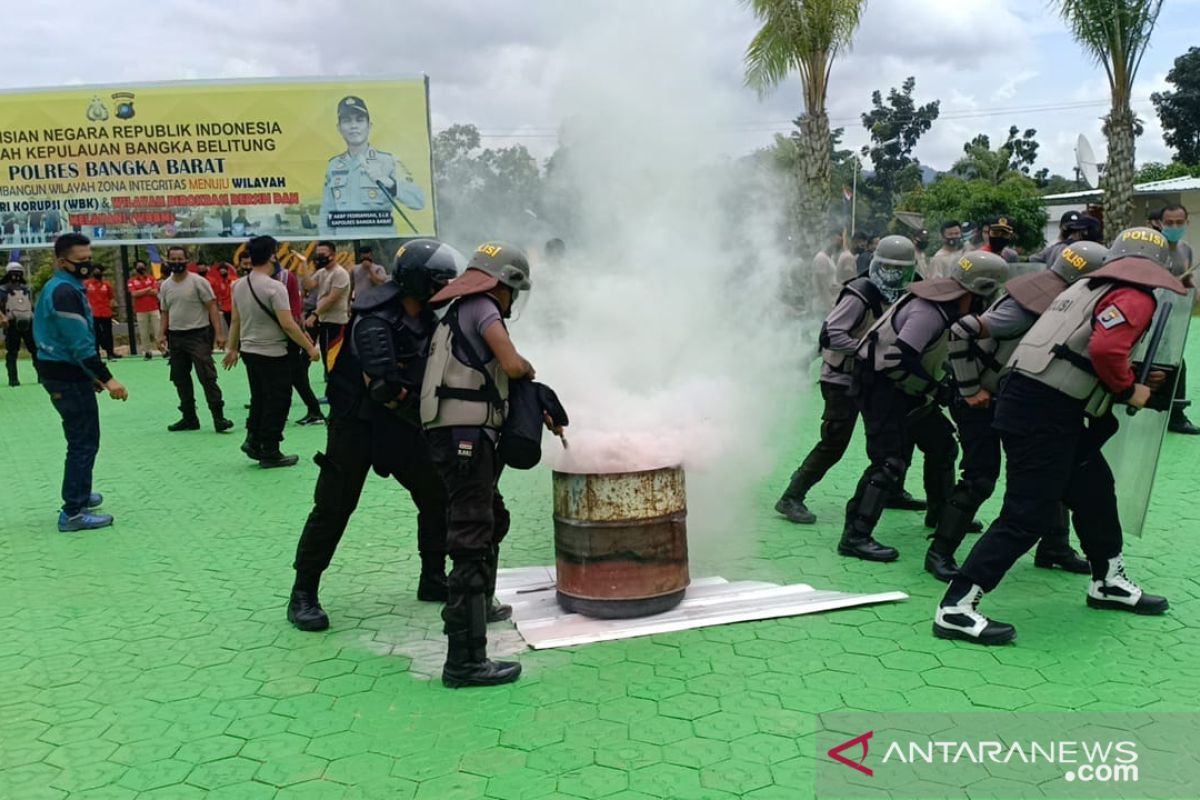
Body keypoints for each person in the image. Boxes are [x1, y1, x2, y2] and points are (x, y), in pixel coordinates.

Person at [934, 228, 1185, 644]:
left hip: (1032, 398)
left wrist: (1130, 375)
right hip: (1045, 411)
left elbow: (1086, 346)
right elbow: (1106, 352)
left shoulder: (1088, 285)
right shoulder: (1135, 296)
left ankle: (1107, 579)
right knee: (1027, 512)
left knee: (1094, 487)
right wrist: (1130, 389)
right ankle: (956, 607)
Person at [288, 240, 461, 634]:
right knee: (334, 506)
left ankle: (433, 576)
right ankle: (303, 593)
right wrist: (435, 417)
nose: (445, 287)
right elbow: (384, 389)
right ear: (419, 281)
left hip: (401, 425)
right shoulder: (375, 320)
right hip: (357, 425)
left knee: (436, 495)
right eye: (439, 280)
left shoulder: (426, 318)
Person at [925, 243, 1109, 581]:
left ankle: (1054, 546)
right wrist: (970, 389)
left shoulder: (1050, 291)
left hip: (1007, 397)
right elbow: (961, 330)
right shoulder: (1031, 304)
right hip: (980, 398)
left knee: (1049, 469)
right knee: (980, 476)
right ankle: (940, 552)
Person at [421, 242, 554, 689]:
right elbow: (512, 363)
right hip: (467, 438)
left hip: (450, 436)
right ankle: (465, 661)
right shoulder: (483, 308)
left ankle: (477, 615)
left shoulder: (456, 310)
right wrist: (530, 373)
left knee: (486, 521)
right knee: (471, 539)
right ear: (505, 285)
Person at [841, 251, 1008, 562]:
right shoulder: (929, 311)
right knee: (889, 461)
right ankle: (855, 536)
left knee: (942, 446)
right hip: (881, 385)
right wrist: (936, 390)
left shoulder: (949, 306)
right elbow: (896, 359)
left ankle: (940, 512)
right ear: (981, 289)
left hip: (908, 387)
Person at [775, 235, 915, 524]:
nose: (893, 275)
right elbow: (831, 334)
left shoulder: (905, 292)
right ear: (876, 263)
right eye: (888, 267)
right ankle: (791, 496)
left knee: (896, 438)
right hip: (842, 378)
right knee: (835, 441)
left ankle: (893, 490)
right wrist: (867, 350)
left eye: (900, 269)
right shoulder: (860, 292)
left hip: (874, 377)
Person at [33, 233, 128, 531]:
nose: (88, 264)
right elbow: (79, 344)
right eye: (81, 260)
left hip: (68, 372)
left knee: (83, 438)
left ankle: (81, 493)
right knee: (83, 441)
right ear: (62, 261)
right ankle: (73, 511)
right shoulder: (63, 292)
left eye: (90, 258)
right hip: (65, 375)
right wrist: (107, 379)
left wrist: (90, 377)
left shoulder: (68, 286)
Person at [223, 236, 321, 468]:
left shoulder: (238, 285)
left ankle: (253, 440)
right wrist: (309, 348)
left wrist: (232, 348)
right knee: (278, 400)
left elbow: (235, 320)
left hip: (249, 350)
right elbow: (288, 324)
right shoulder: (275, 287)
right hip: (273, 351)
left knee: (259, 397)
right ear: (272, 256)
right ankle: (270, 449)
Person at [318, 95, 425, 237]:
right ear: (339, 128)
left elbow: (418, 201)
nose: (353, 126)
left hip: (381, 244)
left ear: (369, 126)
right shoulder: (334, 166)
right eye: (347, 121)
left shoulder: (388, 161)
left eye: (359, 120)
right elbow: (327, 213)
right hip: (347, 244)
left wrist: (390, 183)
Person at [158, 245, 233, 433]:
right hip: (175, 337)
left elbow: (212, 308)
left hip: (198, 335)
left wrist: (220, 334)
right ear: (167, 261)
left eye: (179, 259)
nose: (176, 263)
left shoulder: (198, 282)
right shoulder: (165, 285)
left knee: (207, 376)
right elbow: (165, 312)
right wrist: (161, 334)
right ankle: (189, 417)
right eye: (172, 259)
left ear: (187, 259)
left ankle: (218, 417)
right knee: (179, 378)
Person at [1159, 204, 1198, 435]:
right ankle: (1173, 415)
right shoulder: (1153, 249)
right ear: (1160, 223)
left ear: (1186, 223)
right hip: (1150, 315)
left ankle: (1174, 414)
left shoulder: (1186, 250)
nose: (1174, 227)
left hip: (1173, 318)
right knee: (1172, 365)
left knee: (1174, 363)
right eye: (1169, 223)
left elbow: (1187, 282)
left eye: (1179, 222)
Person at [272, 257, 324, 426]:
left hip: (288, 332)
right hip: (291, 329)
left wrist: (304, 337)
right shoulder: (284, 277)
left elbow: (289, 309)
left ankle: (314, 410)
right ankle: (311, 410)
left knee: (295, 375)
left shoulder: (282, 277)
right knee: (293, 375)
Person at [304, 241, 351, 381]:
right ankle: (330, 385)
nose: (319, 258)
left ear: (333, 255)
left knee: (333, 357)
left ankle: (336, 387)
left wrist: (314, 314)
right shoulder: (322, 272)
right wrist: (303, 264)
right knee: (326, 355)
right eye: (317, 255)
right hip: (324, 321)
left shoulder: (340, 273)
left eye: (322, 255)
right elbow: (309, 285)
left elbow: (332, 299)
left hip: (336, 321)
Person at [1, 262, 39, 385]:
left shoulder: (26, 289)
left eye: (19, 273)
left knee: (35, 350)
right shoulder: (2, 290)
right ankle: (13, 379)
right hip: (11, 323)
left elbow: (30, 306)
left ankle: (41, 376)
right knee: (12, 351)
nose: (16, 276)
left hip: (29, 321)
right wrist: (2, 318)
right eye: (13, 273)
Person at [84, 266, 120, 361]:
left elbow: (111, 298)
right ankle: (96, 354)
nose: (97, 272)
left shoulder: (106, 285)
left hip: (106, 312)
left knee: (108, 333)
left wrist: (114, 309)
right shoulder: (87, 284)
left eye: (99, 270)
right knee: (96, 334)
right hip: (93, 313)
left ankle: (110, 353)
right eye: (95, 270)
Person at [127, 260, 161, 360]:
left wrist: (141, 291)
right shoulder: (131, 281)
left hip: (154, 308)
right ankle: (147, 352)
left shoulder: (151, 278)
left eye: (142, 266)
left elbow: (155, 292)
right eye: (138, 266)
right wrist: (147, 289)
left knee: (158, 330)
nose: (141, 268)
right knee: (143, 332)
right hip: (140, 310)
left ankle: (163, 349)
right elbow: (134, 294)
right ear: (135, 268)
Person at [810, 229, 845, 312]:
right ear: (829, 240)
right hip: (823, 307)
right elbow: (822, 286)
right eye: (837, 242)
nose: (838, 246)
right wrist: (829, 307)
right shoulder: (821, 258)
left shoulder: (830, 258)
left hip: (829, 304)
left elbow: (830, 282)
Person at [207, 261, 235, 330]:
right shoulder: (219, 282)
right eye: (220, 271)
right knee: (230, 326)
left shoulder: (234, 280)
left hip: (235, 307)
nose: (222, 272)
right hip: (225, 308)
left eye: (223, 271)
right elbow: (218, 294)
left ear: (227, 270)